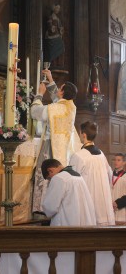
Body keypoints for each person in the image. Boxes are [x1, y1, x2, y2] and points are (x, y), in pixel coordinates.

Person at [31, 70, 81, 213]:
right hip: (64, 150)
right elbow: (57, 100)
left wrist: (39, 94)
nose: (58, 90)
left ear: (63, 93)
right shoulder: (71, 106)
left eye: (60, 88)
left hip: (50, 147)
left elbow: (35, 112)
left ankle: (42, 208)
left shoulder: (56, 108)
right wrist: (50, 78)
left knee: (46, 175)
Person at [69, 121, 115, 226]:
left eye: (80, 133)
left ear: (83, 135)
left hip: (89, 203)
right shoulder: (101, 154)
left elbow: (72, 182)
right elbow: (110, 175)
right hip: (104, 205)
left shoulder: (78, 156)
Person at [41, 159, 96, 226]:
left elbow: (50, 207)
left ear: (50, 170)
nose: (51, 180)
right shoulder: (78, 176)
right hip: (83, 222)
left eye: (49, 178)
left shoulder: (59, 178)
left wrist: (45, 209)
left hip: (66, 223)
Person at [111, 153, 126, 223]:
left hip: (121, 211)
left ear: (124, 162)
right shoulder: (109, 175)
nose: (116, 162)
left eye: (119, 160)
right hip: (110, 210)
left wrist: (118, 203)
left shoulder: (125, 177)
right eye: (115, 160)